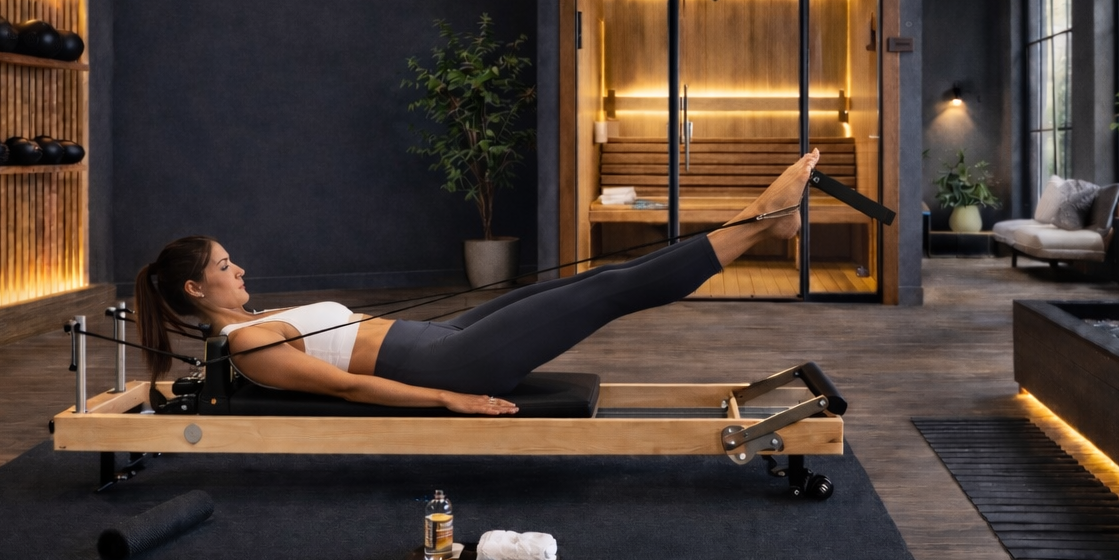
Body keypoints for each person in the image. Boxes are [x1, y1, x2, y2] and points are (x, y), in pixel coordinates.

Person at [136, 150, 820, 416]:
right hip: (456, 363)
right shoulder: (252, 346)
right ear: (194, 290)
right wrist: (447, 400)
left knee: (603, 276)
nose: (240, 269)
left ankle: (765, 222)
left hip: (445, 337)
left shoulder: (254, 322)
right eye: (225, 267)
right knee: (610, 292)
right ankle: (767, 217)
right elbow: (349, 387)